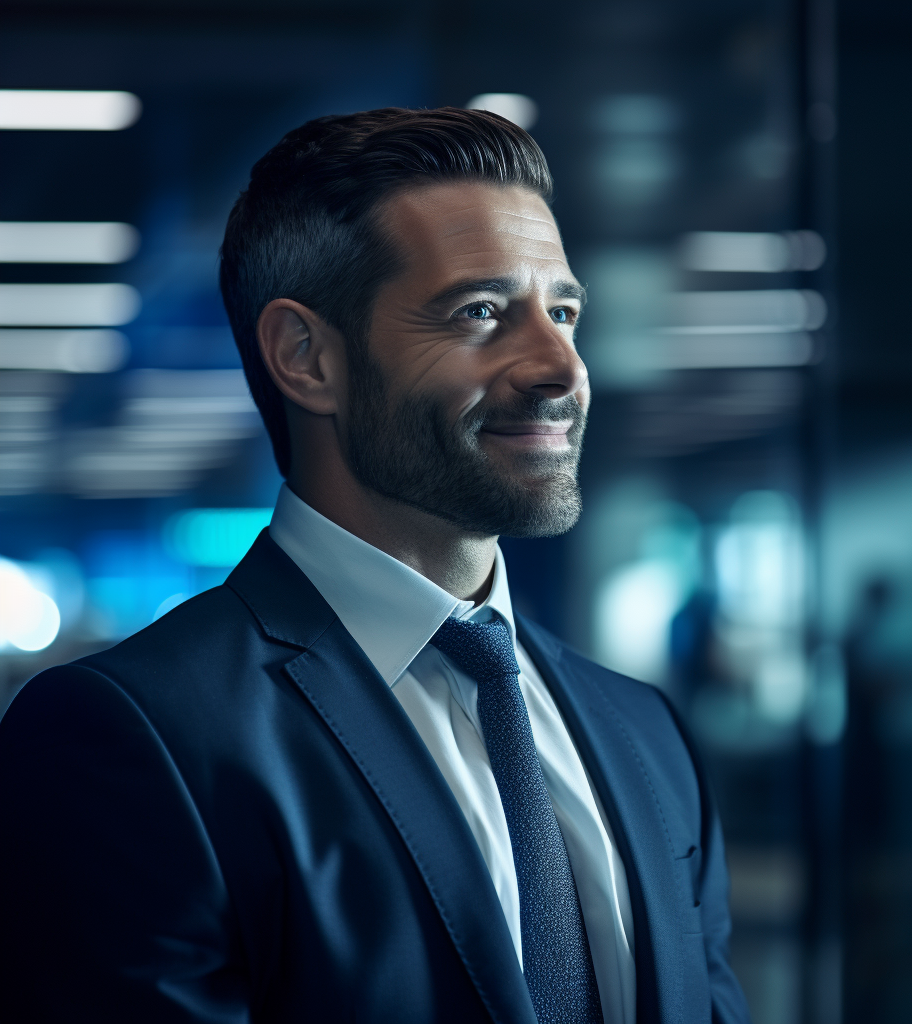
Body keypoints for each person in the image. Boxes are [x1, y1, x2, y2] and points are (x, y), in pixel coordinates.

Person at [0, 107, 749, 1024]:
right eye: (480, 313)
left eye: (562, 311)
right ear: (305, 357)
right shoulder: (134, 739)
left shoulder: (644, 731)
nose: (561, 365)